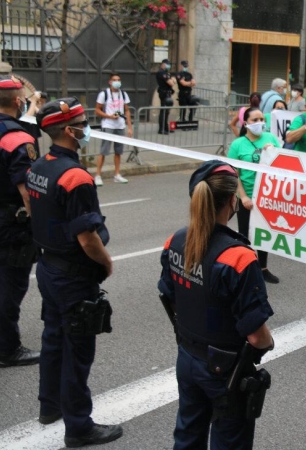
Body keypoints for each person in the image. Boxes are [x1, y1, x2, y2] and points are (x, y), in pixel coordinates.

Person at [158, 160, 275, 449]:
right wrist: (267, 343)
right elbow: (257, 336)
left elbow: (169, 298)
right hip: (226, 370)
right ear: (232, 201)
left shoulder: (175, 241)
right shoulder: (238, 257)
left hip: (187, 356)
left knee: (187, 434)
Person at [29, 98, 122, 446]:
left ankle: (49, 406)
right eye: (82, 123)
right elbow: (87, 238)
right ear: (69, 130)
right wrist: (106, 262)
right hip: (72, 276)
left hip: (48, 268)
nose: (86, 128)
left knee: (53, 338)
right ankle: (79, 426)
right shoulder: (76, 176)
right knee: (77, 351)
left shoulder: (40, 165)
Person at [0, 75, 40, 368]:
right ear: (18, 102)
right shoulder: (18, 139)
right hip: (10, 226)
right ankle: (7, 349)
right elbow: (28, 193)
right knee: (10, 287)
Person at [228, 106, 281, 284]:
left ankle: (263, 268)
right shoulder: (237, 145)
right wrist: (243, 197)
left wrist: (273, 151)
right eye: (255, 120)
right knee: (245, 235)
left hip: (267, 196)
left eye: (261, 119)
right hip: (248, 196)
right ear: (245, 123)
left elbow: (284, 162)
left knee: (263, 234)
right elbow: (234, 173)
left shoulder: (270, 138)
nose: (260, 123)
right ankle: (245, 269)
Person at [94, 72, 132, 185]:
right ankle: (98, 175)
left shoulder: (123, 94)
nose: (117, 82)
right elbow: (97, 109)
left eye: (119, 80)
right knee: (103, 151)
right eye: (115, 80)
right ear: (110, 82)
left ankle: (116, 174)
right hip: (108, 125)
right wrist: (109, 116)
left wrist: (129, 126)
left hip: (120, 125)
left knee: (118, 151)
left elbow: (127, 110)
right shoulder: (104, 94)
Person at [156, 59, 175, 135]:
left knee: (167, 112)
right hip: (164, 93)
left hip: (168, 93)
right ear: (163, 64)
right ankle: (161, 129)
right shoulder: (161, 73)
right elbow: (171, 83)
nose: (168, 65)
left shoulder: (166, 73)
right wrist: (173, 80)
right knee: (163, 111)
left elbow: (172, 81)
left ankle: (165, 127)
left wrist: (172, 80)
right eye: (167, 64)